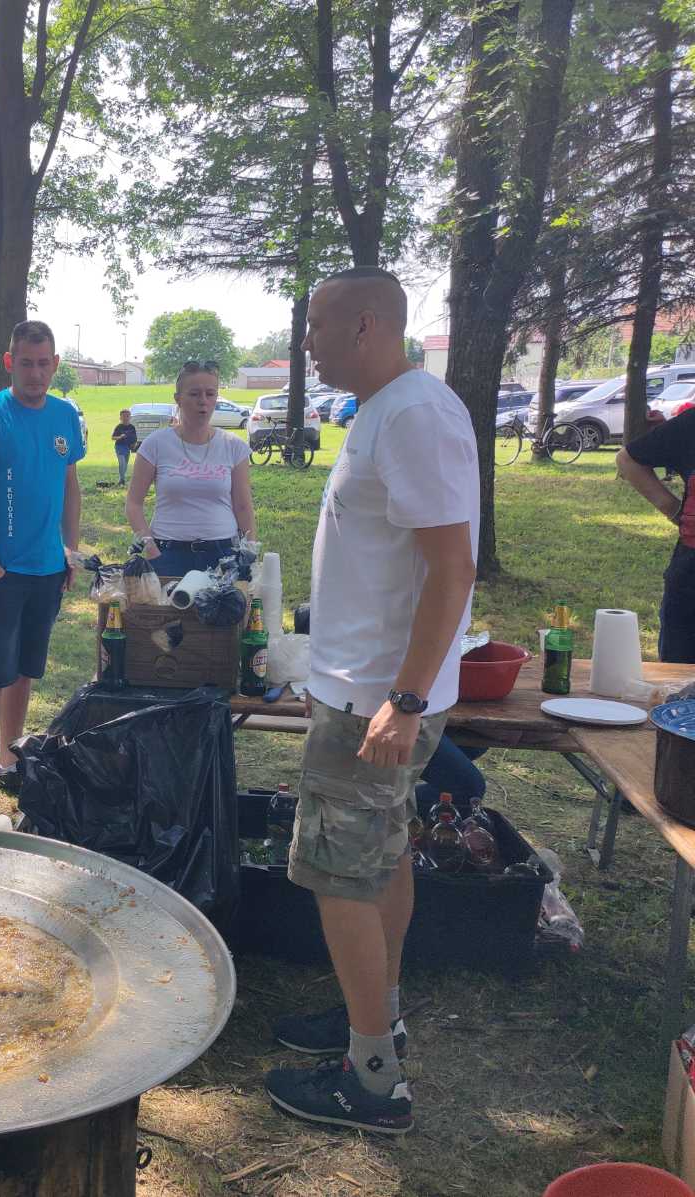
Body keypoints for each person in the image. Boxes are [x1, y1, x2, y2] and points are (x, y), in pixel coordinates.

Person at [264, 267, 477, 1136]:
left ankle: (372, 1078)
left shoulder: (416, 414)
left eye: (315, 325)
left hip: (375, 701)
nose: (306, 341)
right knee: (383, 856)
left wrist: (406, 696)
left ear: (363, 326)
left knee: (338, 874)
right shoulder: (387, 408)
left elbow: (452, 567)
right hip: (372, 686)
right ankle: (374, 1018)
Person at [0, 319, 85, 807]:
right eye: (25, 363)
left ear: (54, 364)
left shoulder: (66, 416)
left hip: (47, 569)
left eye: (43, 363)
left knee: (25, 671)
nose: (35, 373)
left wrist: (69, 550)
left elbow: (70, 488)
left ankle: (10, 761)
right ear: (10, 362)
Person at [125, 362, 254, 576]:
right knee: (165, 611)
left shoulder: (233, 446)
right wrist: (151, 548)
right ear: (178, 399)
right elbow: (133, 503)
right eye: (194, 394)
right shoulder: (155, 444)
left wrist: (249, 553)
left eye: (210, 394)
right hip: (168, 553)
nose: (203, 401)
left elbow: (243, 507)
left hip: (223, 554)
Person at [618, 408, 695, 663]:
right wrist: (675, 512)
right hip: (689, 583)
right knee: (679, 685)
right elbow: (628, 460)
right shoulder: (690, 424)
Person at [111, 409, 138, 485]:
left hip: (127, 448)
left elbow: (134, 438)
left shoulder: (132, 427)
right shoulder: (119, 427)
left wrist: (134, 445)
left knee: (125, 465)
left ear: (130, 417)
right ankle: (122, 480)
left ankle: (121, 479)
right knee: (122, 463)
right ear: (120, 418)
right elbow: (113, 437)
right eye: (123, 416)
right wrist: (120, 437)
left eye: (127, 416)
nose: (126, 418)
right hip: (119, 447)